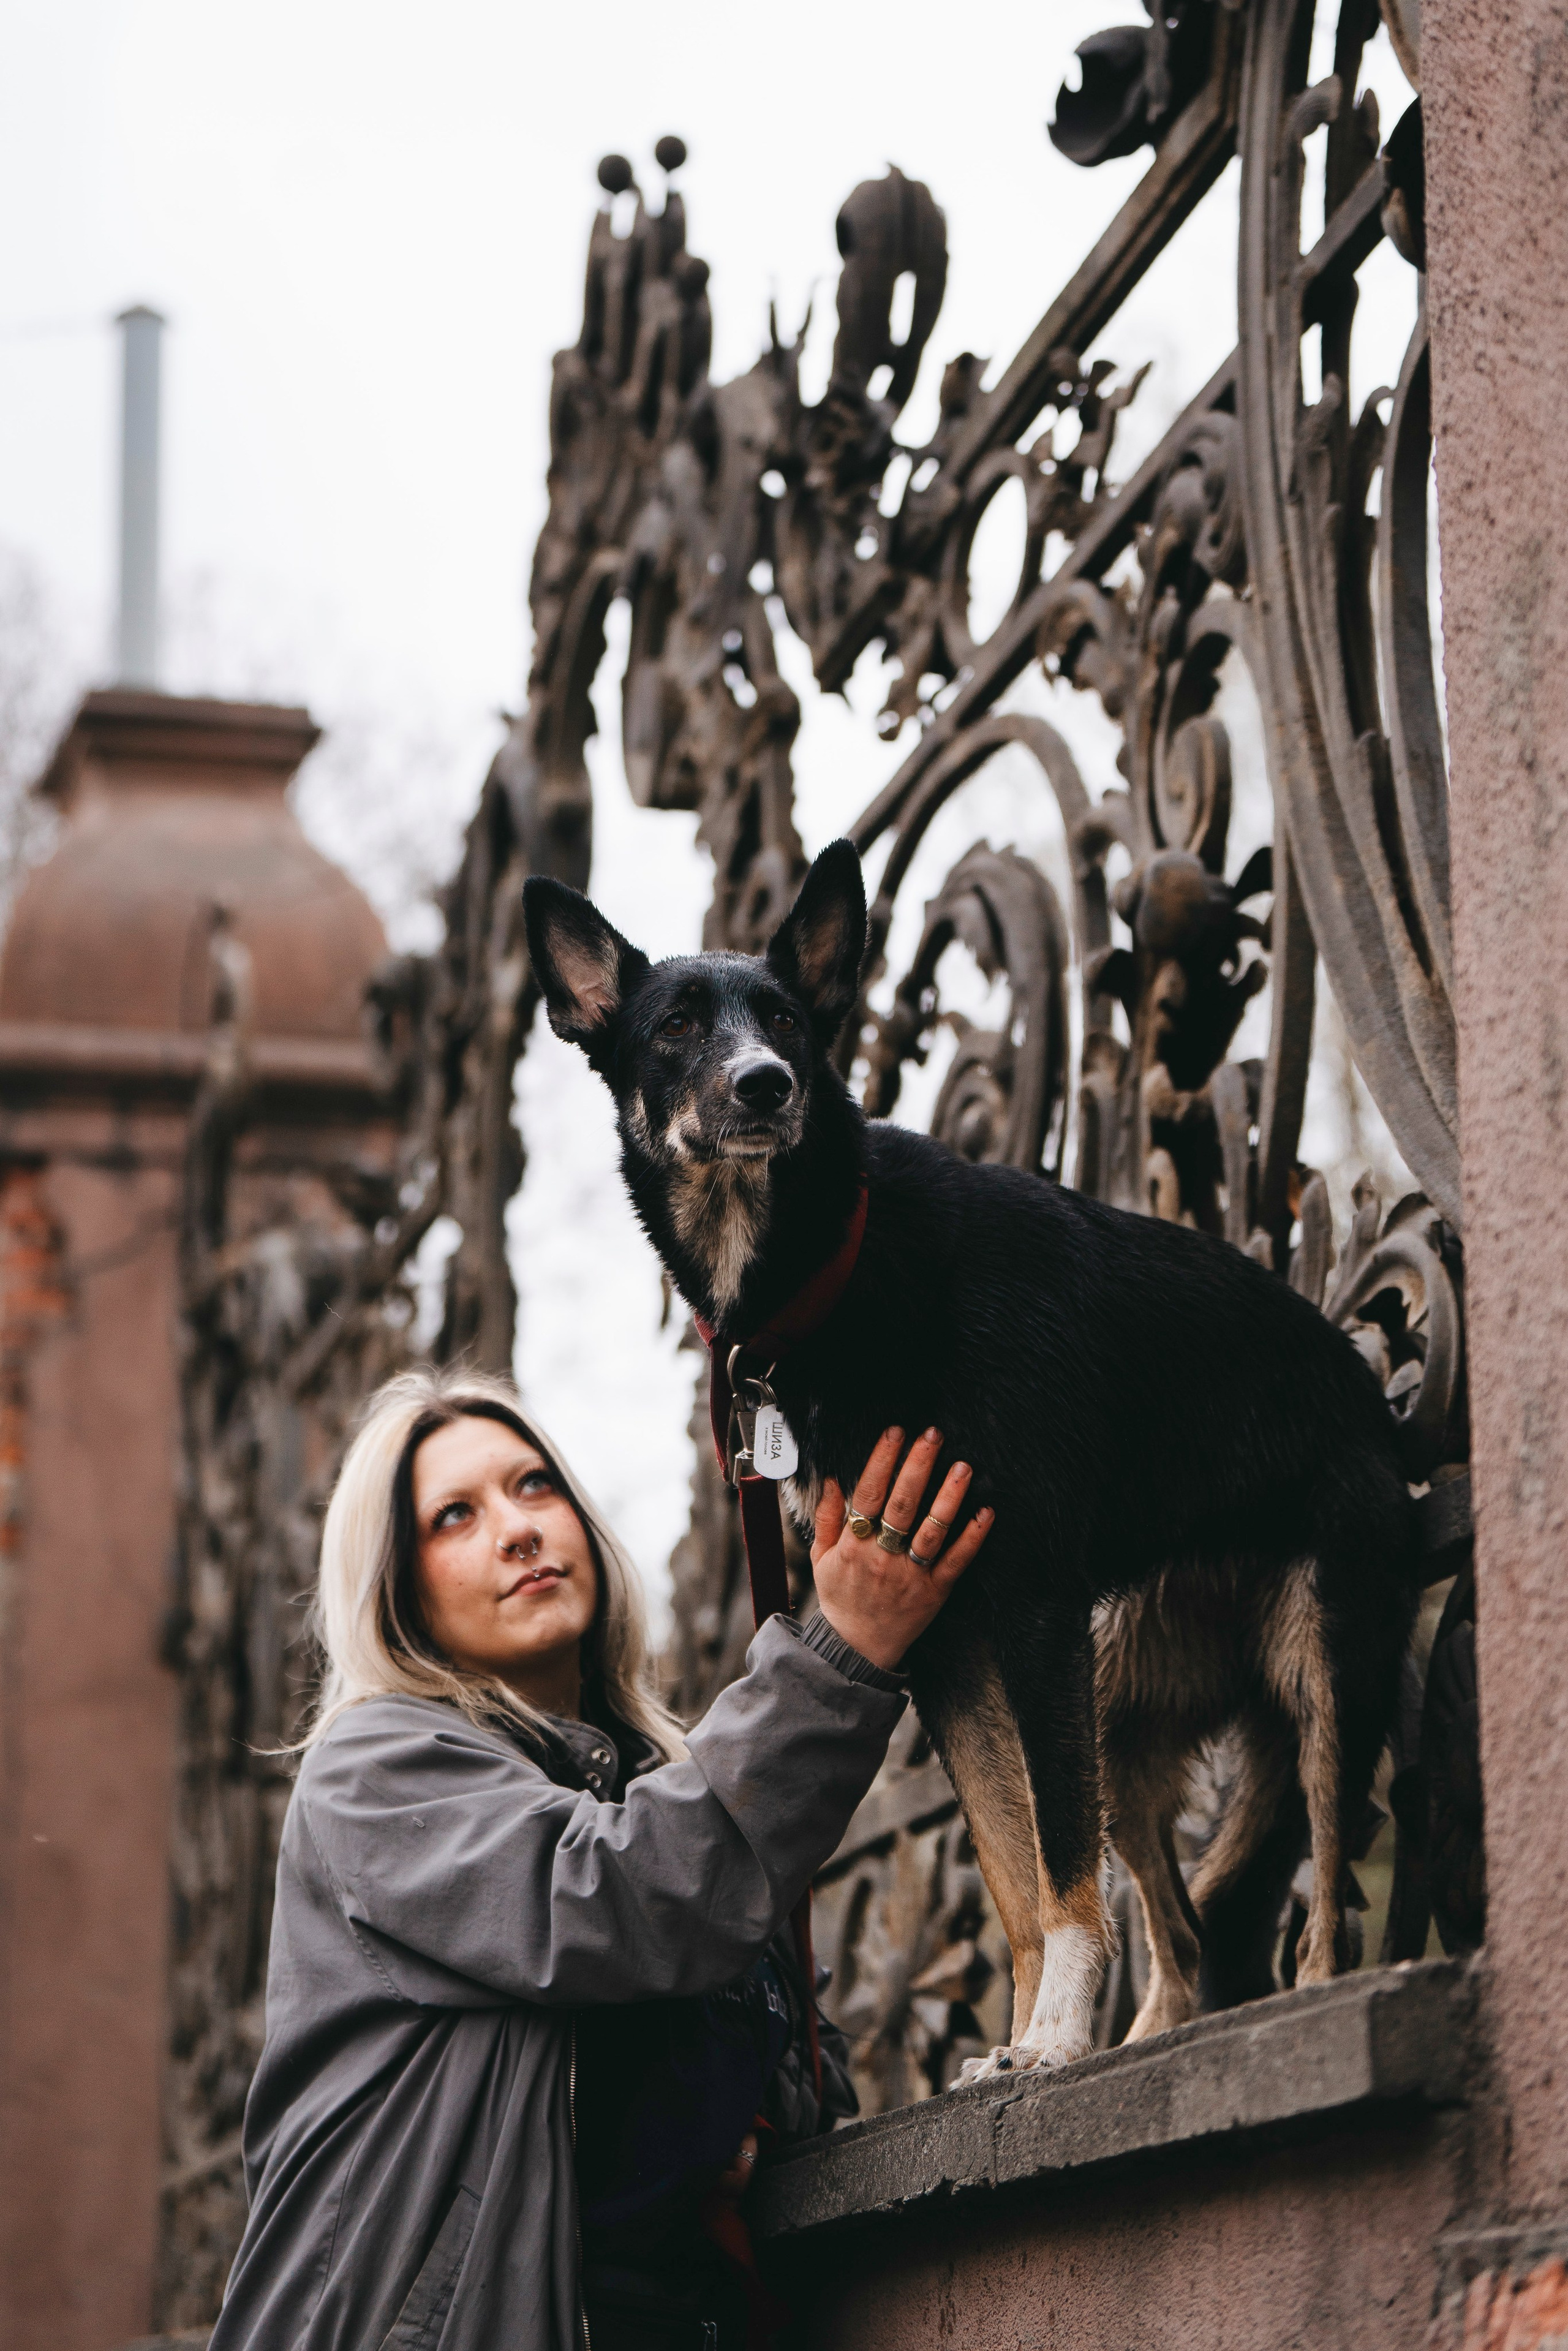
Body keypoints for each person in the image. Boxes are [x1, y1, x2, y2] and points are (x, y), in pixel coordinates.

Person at [207, 1364, 991, 2351]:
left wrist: (748, 2133)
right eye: (454, 1515)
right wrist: (840, 1652)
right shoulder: (371, 1773)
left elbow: (791, 2067)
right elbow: (618, 1896)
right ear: (397, 1593)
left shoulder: (649, 1786)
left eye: (535, 1485)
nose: (517, 1526)